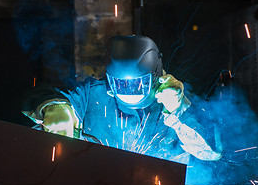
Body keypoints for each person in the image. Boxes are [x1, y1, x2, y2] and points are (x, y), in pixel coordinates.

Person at [22, 35, 221, 164]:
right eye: (120, 84)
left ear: (154, 75)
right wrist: (55, 107)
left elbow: (212, 153)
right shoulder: (93, 94)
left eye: (136, 84)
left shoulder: (173, 99)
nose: (128, 91)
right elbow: (37, 95)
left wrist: (180, 110)